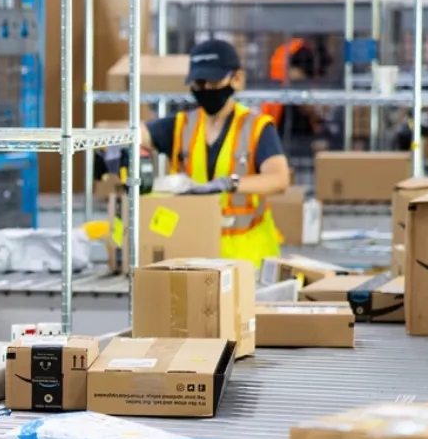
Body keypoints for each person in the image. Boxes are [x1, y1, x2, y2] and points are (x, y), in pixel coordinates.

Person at [97, 39, 293, 268]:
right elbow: (133, 134)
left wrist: (228, 183)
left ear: (236, 79)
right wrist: (112, 149)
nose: (205, 90)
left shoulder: (257, 127)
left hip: (248, 261)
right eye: (199, 83)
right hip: (193, 255)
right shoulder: (181, 126)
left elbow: (279, 179)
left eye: (212, 82)